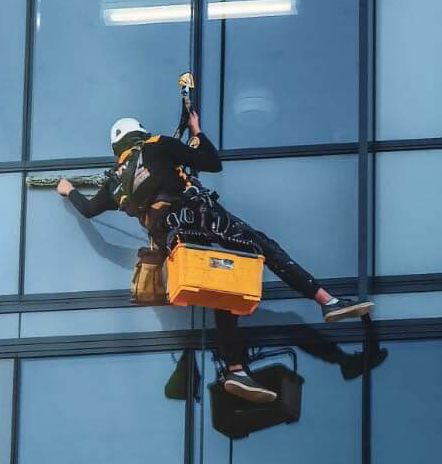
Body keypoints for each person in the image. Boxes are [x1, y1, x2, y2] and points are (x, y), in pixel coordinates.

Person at [56, 114, 373, 403]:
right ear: (140, 134)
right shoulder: (157, 145)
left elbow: (89, 210)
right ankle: (328, 302)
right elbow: (211, 162)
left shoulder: (115, 184)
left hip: (175, 243)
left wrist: (68, 190)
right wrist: (197, 132)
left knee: (223, 289)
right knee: (265, 247)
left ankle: (235, 369)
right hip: (202, 219)